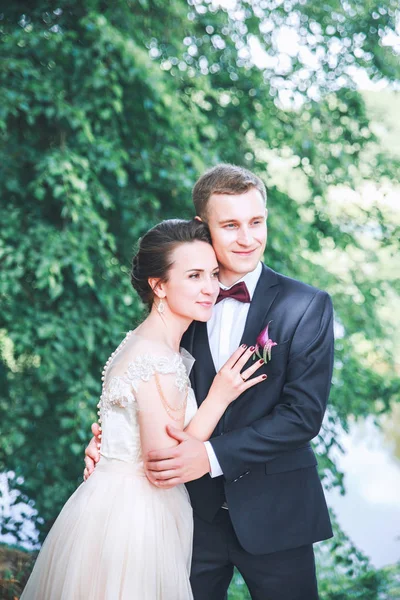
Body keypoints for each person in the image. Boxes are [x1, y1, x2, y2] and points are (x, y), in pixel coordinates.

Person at [85, 164, 335, 600]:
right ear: (203, 227)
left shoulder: (306, 305)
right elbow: (148, 382)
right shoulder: (186, 297)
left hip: (277, 513)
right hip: (186, 516)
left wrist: (210, 455)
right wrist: (110, 446)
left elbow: (303, 416)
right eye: (231, 225)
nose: (247, 238)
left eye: (257, 222)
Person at [21, 218, 266, 600]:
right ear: (159, 285)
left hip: (113, 506)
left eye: (213, 274)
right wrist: (219, 397)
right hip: (135, 521)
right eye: (194, 276)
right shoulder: (154, 359)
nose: (211, 288)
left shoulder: (144, 342)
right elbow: (162, 464)